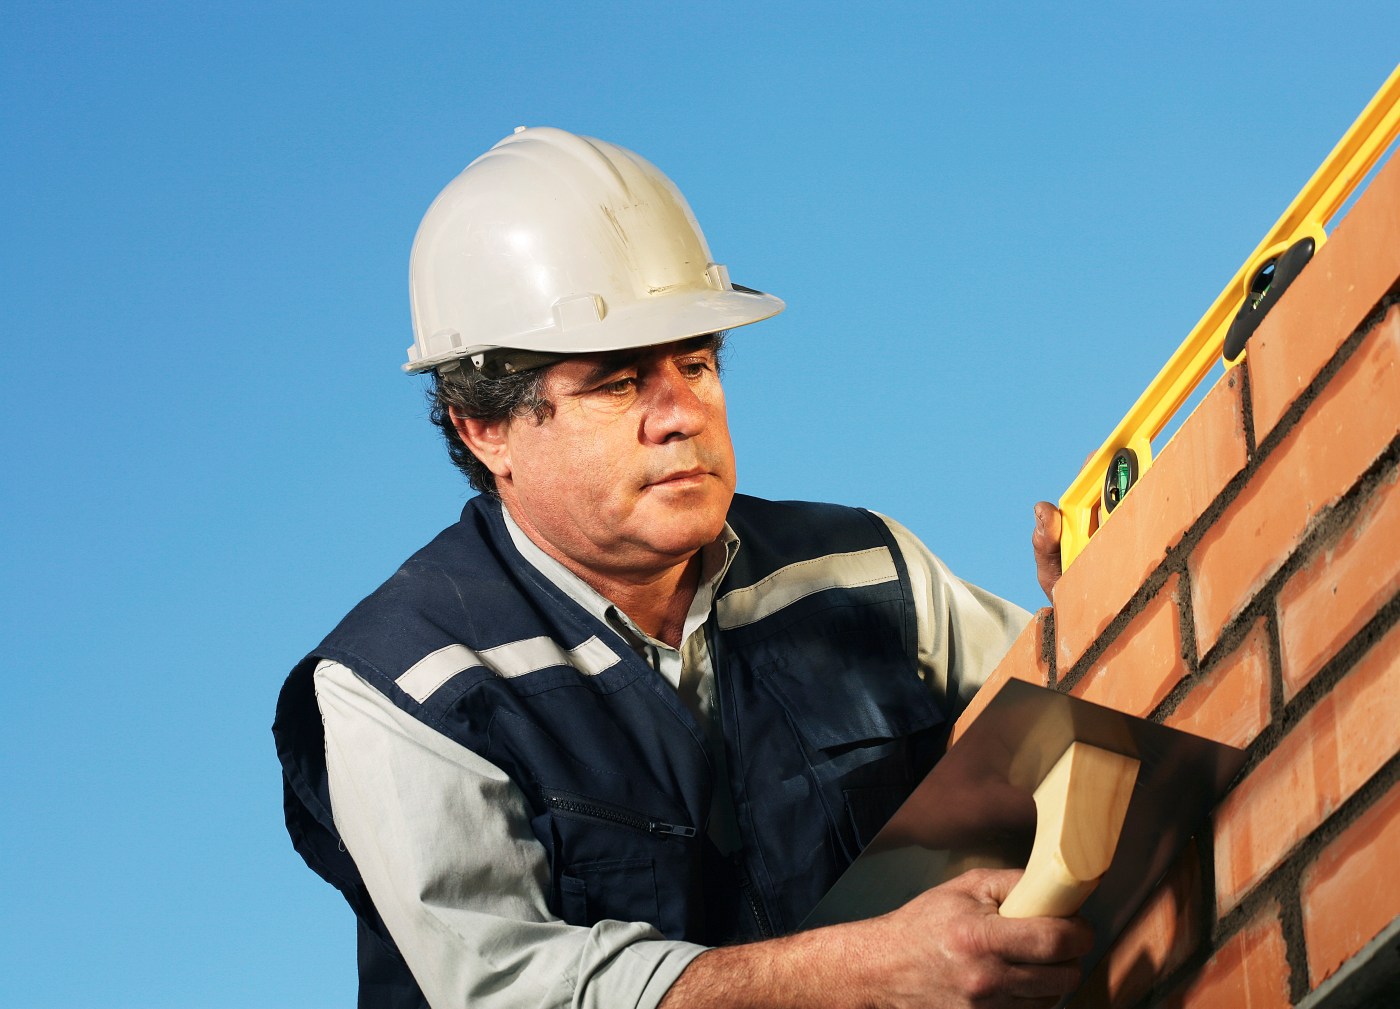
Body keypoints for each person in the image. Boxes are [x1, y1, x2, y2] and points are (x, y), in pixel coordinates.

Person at [274, 126, 1083, 1009]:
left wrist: (1097, 607)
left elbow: (1076, 719)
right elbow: (513, 991)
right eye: (618, 383)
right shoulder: (402, 687)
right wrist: (872, 968)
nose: (681, 413)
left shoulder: (862, 571)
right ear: (487, 428)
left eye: (697, 362)